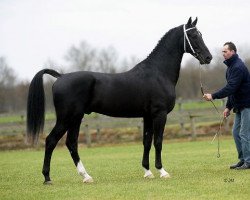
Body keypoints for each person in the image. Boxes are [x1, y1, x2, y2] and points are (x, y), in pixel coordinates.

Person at [203, 42, 250, 170]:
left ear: (232, 52)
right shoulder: (230, 68)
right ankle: (242, 160)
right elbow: (233, 91)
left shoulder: (238, 67)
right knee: (236, 133)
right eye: (222, 52)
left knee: (244, 134)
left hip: (247, 105)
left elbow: (230, 88)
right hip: (239, 105)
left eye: (225, 51)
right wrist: (228, 107)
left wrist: (213, 96)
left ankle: (248, 161)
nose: (223, 54)